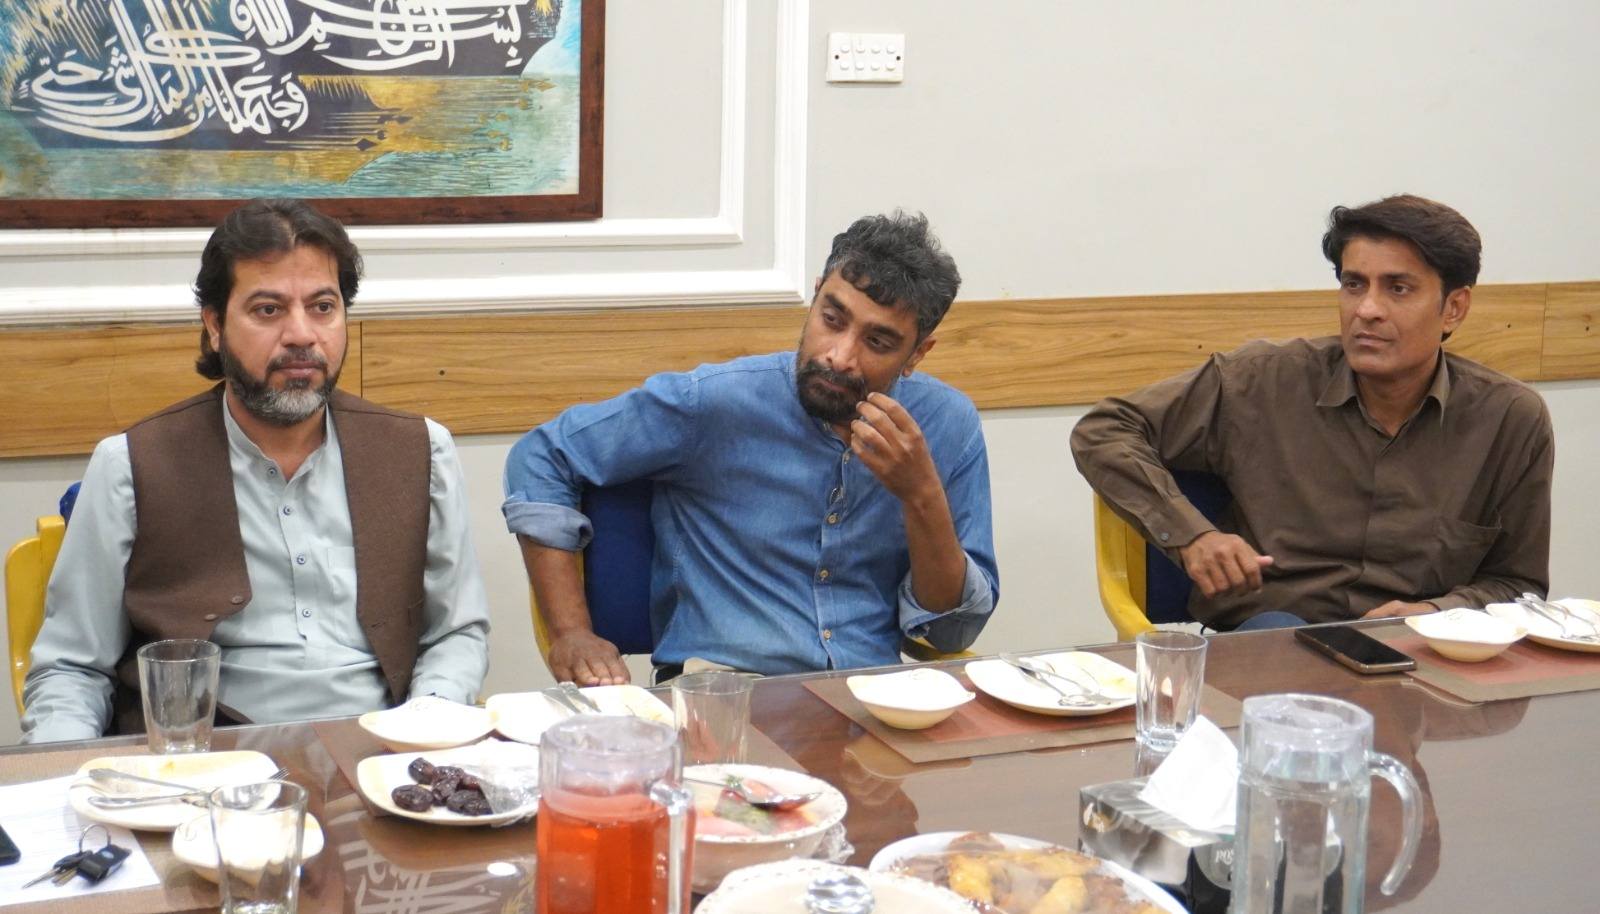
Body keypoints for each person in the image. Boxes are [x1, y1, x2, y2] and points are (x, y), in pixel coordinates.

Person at [21, 198, 490, 743]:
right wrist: (63, 772)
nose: (301, 335)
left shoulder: (422, 450)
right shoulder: (128, 464)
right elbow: (72, 669)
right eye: (268, 310)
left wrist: (425, 728)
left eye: (323, 307)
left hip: (380, 753)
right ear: (215, 325)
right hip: (199, 759)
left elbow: (455, 634)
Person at [504, 211, 998, 683]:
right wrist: (570, 632)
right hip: (723, 693)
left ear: (917, 354)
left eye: (878, 343)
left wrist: (920, 496)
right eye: (832, 318)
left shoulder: (947, 425)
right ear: (814, 300)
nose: (839, 356)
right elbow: (543, 455)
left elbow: (950, 632)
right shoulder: (713, 402)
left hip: (871, 698)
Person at [1071, 194, 1552, 631]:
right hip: (1275, 637)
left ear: (1454, 309)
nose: (1367, 309)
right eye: (1354, 284)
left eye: (1398, 289)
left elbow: (1518, 585)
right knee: (1278, 642)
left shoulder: (1509, 419)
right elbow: (1105, 430)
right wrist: (1191, 536)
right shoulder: (1261, 381)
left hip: (1424, 650)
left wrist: (1436, 611)